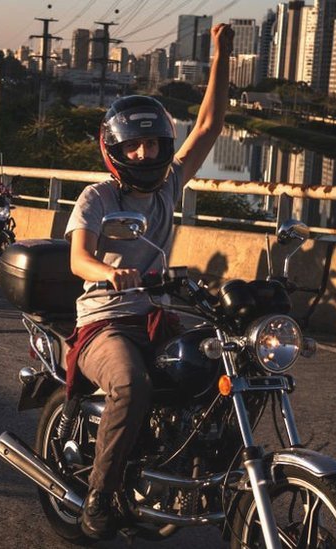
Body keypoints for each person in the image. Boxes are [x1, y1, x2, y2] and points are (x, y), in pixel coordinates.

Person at [63, 23, 233, 540]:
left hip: (155, 315)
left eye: (153, 144)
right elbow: (78, 259)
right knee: (132, 385)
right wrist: (109, 273)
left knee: (224, 366)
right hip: (104, 322)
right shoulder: (97, 198)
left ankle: (196, 472)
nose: (144, 154)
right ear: (116, 149)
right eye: (133, 146)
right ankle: (98, 497)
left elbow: (208, 126)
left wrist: (221, 54)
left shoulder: (168, 189)